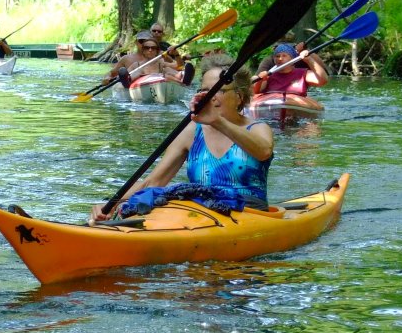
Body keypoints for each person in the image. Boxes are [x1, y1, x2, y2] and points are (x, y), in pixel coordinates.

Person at [89, 55, 274, 224]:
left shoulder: (258, 128)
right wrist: (111, 203)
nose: (208, 96)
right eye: (204, 90)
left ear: (239, 97)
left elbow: (263, 152)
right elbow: (153, 182)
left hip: (250, 215)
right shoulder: (191, 131)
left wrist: (217, 121)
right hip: (203, 216)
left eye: (217, 90)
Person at [102, 31, 185, 85]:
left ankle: (182, 77)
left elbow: (179, 66)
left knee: (168, 71)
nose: (145, 44)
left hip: (159, 81)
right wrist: (106, 78)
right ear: (136, 42)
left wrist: (176, 54)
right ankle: (128, 80)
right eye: (141, 41)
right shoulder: (127, 59)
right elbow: (111, 73)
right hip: (136, 84)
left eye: (148, 41)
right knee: (137, 72)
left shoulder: (160, 55)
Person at [253, 43, 329, 96]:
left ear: (292, 59)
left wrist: (309, 60)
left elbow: (323, 80)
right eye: (277, 56)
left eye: (284, 56)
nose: (280, 58)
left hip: (296, 106)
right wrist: (260, 80)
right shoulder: (269, 75)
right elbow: (256, 92)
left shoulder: (303, 73)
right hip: (272, 106)